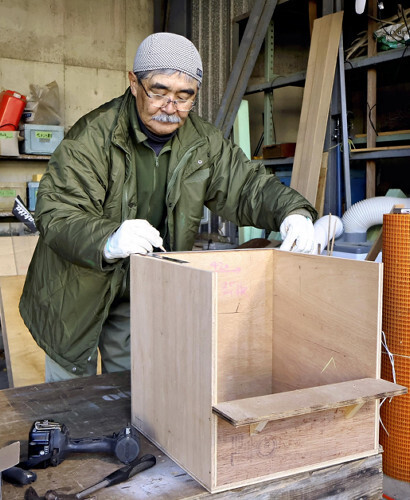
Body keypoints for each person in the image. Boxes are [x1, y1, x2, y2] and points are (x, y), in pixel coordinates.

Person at [19, 32, 317, 382]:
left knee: (130, 394)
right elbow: (57, 212)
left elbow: (246, 185)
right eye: (158, 92)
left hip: (140, 291)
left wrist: (293, 212)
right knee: (70, 404)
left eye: (184, 96)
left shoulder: (204, 143)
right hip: (74, 288)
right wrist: (108, 238)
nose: (170, 107)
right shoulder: (92, 137)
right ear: (134, 83)